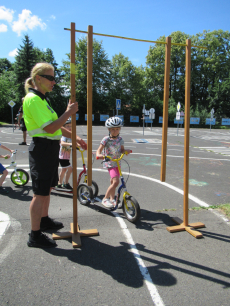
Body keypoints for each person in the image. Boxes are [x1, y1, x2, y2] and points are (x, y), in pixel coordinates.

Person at [23, 62, 87, 248]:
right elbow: (50, 128)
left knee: (48, 188)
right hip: (42, 149)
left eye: (54, 78)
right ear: (38, 79)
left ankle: (44, 221)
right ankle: (35, 235)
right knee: (40, 193)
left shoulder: (43, 100)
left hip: (50, 148)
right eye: (50, 78)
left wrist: (76, 138)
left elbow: (56, 126)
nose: (54, 82)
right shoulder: (33, 99)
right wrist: (68, 112)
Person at [96, 117, 131, 208]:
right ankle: (105, 199)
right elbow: (98, 150)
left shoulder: (120, 139)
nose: (115, 131)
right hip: (109, 163)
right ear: (108, 129)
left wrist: (126, 151)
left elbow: (122, 150)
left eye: (117, 129)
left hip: (117, 162)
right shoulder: (106, 139)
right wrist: (99, 154)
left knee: (113, 182)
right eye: (113, 129)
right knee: (116, 182)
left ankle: (112, 199)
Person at [56, 118, 73, 191]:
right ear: (64, 127)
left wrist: (79, 145)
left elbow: (75, 143)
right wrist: (71, 144)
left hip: (66, 156)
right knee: (70, 169)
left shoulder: (70, 135)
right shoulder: (64, 135)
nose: (69, 128)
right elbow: (62, 143)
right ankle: (65, 183)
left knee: (63, 170)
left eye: (71, 126)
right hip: (62, 156)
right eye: (68, 126)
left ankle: (59, 183)